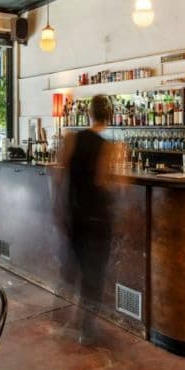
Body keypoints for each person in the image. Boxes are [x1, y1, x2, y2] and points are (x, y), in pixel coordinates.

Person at [60, 94, 123, 345]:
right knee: (94, 272)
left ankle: (66, 316)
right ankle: (86, 328)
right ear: (109, 116)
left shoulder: (71, 139)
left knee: (74, 265)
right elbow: (105, 182)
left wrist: (60, 209)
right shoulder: (109, 147)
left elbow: (59, 175)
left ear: (88, 113)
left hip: (74, 213)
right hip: (98, 216)